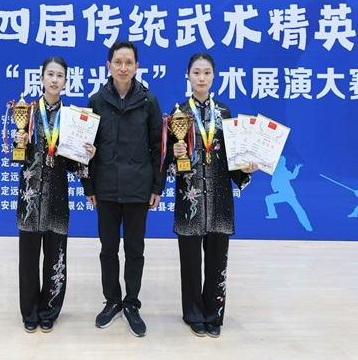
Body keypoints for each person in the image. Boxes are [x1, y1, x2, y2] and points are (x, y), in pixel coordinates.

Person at [168, 53, 257, 338]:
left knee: (218, 260)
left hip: (219, 198)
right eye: (196, 72)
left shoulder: (224, 113)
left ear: (214, 76)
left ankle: (213, 314)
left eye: (207, 72)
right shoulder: (178, 113)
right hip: (190, 199)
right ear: (188, 75)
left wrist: (245, 168)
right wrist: (175, 155)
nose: (202, 78)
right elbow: (168, 163)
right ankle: (194, 314)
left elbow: (233, 157)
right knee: (190, 263)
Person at [81, 40, 166, 338]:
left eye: (129, 62)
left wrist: (157, 186)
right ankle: (112, 301)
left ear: (137, 67)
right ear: (108, 65)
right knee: (108, 249)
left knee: (134, 249)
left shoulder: (148, 100)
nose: (123, 67)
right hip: (105, 187)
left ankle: (131, 303)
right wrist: (88, 185)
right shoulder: (96, 101)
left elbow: (158, 147)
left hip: (138, 187)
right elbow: (85, 147)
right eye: (118, 62)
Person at [12, 56, 95, 334]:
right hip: (30, 197)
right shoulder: (27, 112)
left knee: (56, 256)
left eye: (60, 76)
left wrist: (86, 155)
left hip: (58, 197)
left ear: (66, 81)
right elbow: (16, 157)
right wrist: (20, 143)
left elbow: (74, 165)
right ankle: (29, 311)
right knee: (28, 259)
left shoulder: (71, 118)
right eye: (50, 74)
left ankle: (49, 310)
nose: (55, 80)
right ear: (42, 78)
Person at [265, 156, 312, 232]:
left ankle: (308, 226)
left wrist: (296, 169)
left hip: (288, 194)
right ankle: (273, 214)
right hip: (282, 194)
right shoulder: (276, 170)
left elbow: (292, 176)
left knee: (298, 209)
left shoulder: (283, 171)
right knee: (269, 199)